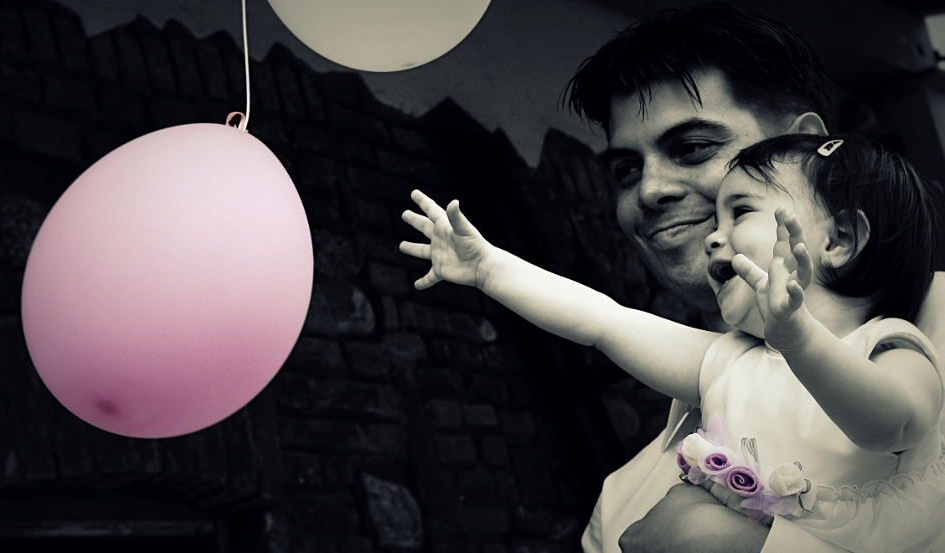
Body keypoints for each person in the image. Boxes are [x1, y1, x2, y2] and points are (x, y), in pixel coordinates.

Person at [398, 131, 945, 552]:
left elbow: (894, 425)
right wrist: (491, 269)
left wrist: (800, 338)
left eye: (741, 211)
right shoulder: (729, 360)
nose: (712, 235)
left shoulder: (889, 345)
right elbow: (604, 321)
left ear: (840, 239)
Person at [557, 4, 945, 552]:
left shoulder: (919, 352)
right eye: (626, 170)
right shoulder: (620, 504)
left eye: (693, 147)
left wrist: (739, 546)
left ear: (802, 145)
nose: (649, 190)